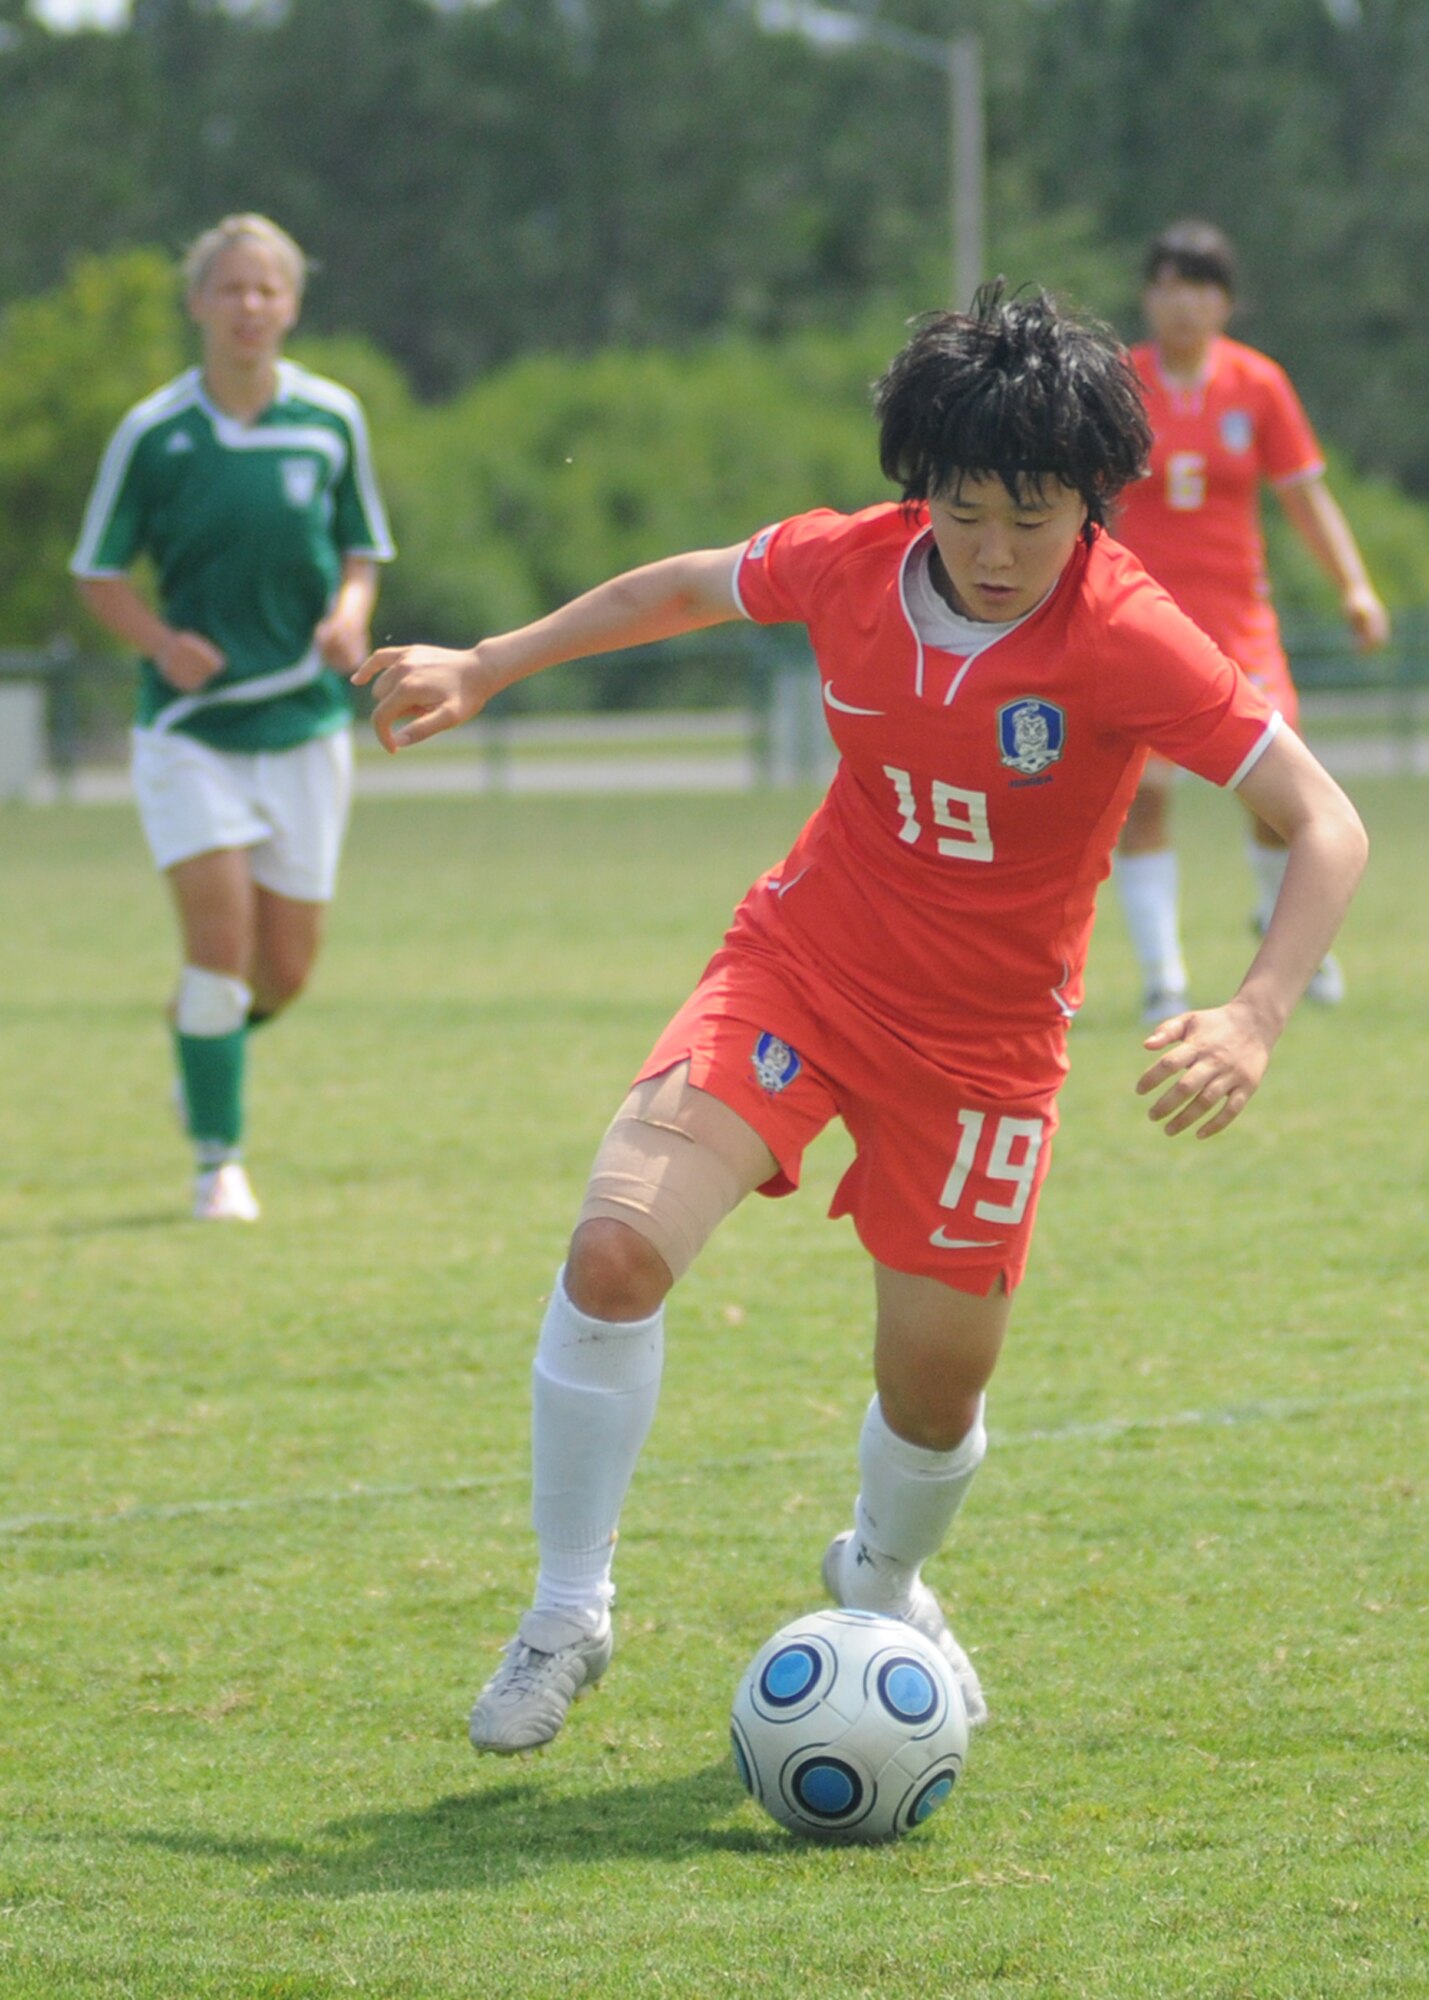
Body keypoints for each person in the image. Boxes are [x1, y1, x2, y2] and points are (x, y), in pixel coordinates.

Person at [356, 284, 1366, 1755]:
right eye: (966, 511)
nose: (999, 547)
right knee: (616, 1245)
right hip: (803, 971)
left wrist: (1258, 1015)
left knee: (936, 1396)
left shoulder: (1127, 635)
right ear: (921, 491)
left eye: (1036, 514)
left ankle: (880, 1575)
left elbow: (1321, 820)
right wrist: (488, 663)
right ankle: (567, 1609)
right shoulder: (849, 565)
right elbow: (685, 588)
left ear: (1092, 501)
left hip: (986, 1052)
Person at [71, 213, 395, 1221]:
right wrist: (162, 642)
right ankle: (219, 1161)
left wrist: (349, 617)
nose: (249, 306)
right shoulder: (155, 432)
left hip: (302, 727)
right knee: (219, 945)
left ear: (291, 305)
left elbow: (360, 549)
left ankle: (202, 1046)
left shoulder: (332, 417)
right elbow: (96, 571)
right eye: (231, 289)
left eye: (268, 289)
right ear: (197, 302)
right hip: (191, 732)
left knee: (283, 973)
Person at [1110, 220, 1388, 1024]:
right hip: (1144, 620)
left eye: (1201, 286)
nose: (1183, 302)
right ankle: (1162, 974)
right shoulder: (1121, 384)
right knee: (1145, 795)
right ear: (1148, 295)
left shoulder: (1258, 384)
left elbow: (1304, 495)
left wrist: (1355, 586)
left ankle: (1289, 935)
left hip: (1238, 624)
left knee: (1273, 796)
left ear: (1226, 301)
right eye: (1168, 284)